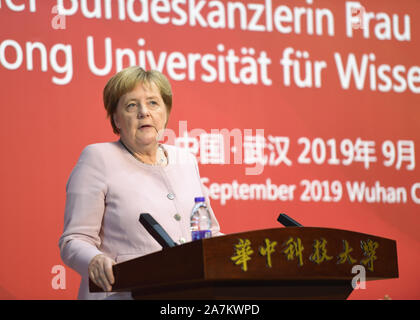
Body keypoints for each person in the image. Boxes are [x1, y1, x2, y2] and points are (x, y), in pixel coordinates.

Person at [58, 66, 222, 300]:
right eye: (131, 105)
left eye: (153, 103)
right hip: (122, 294)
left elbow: (208, 234)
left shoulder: (185, 160)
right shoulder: (98, 158)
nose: (144, 112)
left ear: (166, 111)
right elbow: (74, 240)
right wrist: (93, 260)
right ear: (116, 118)